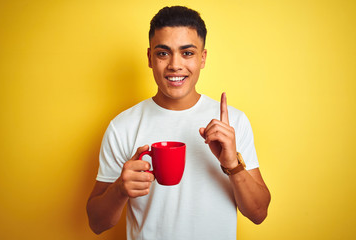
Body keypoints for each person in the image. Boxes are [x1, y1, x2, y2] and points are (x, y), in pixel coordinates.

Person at [86, 6, 270, 240]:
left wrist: (233, 164)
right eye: (163, 53)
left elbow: (258, 213)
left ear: (202, 58)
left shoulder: (232, 123)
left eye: (187, 53)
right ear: (150, 57)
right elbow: (96, 223)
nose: (174, 64)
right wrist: (120, 189)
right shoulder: (122, 126)